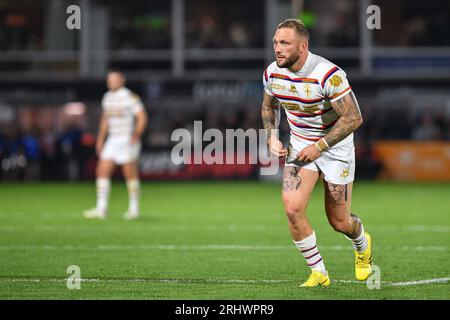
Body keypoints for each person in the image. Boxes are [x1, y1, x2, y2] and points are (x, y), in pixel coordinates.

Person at [261, 19, 372, 287]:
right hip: (300, 146)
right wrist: (272, 136)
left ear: (303, 46)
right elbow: (269, 107)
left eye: (285, 43)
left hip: (335, 149)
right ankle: (319, 272)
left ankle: (362, 242)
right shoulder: (272, 73)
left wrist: (320, 146)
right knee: (292, 208)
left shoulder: (327, 74)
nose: (277, 48)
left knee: (340, 222)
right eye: (276, 42)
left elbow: (354, 118)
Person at [84, 70, 148, 220]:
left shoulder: (129, 97)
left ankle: (134, 208)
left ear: (122, 80)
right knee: (101, 171)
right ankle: (101, 208)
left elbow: (142, 117)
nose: (111, 82)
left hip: (126, 139)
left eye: (114, 79)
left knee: (129, 174)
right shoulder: (107, 97)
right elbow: (105, 120)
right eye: (109, 79)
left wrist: (136, 134)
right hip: (112, 139)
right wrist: (100, 139)